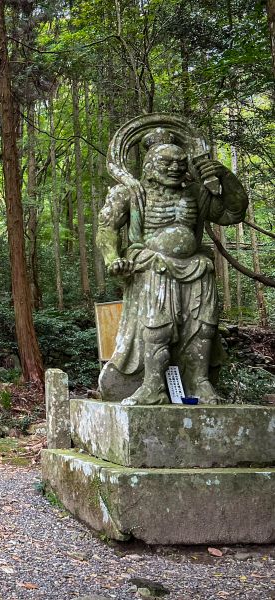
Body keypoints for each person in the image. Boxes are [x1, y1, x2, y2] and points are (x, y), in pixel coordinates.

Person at [97, 128, 248, 405]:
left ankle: (199, 383)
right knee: (158, 327)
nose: (175, 168)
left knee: (204, 327)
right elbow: (106, 229)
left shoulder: (195, 193)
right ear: (150, 166)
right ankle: (152, 385)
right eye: (167, 163)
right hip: (153, 266)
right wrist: (112, 258)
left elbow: (232, 212)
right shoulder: (131, 192)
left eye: (180, 163)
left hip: (196, 267)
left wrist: (225, 176)